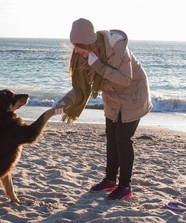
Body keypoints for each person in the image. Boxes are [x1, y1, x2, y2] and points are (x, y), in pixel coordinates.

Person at [53, 18, 152, 201]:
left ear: (90, 44)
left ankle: (125, 186)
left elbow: (125, 79)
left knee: (123, 138)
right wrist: (62, 103)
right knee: (111, 136)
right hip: (113, 97)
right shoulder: (84, 56)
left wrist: (97, 66)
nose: (78, 54)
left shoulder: (117, 47)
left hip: (133, 95)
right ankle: (109, 180)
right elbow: (80, 89)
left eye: (81, 50)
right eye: (76, 49)